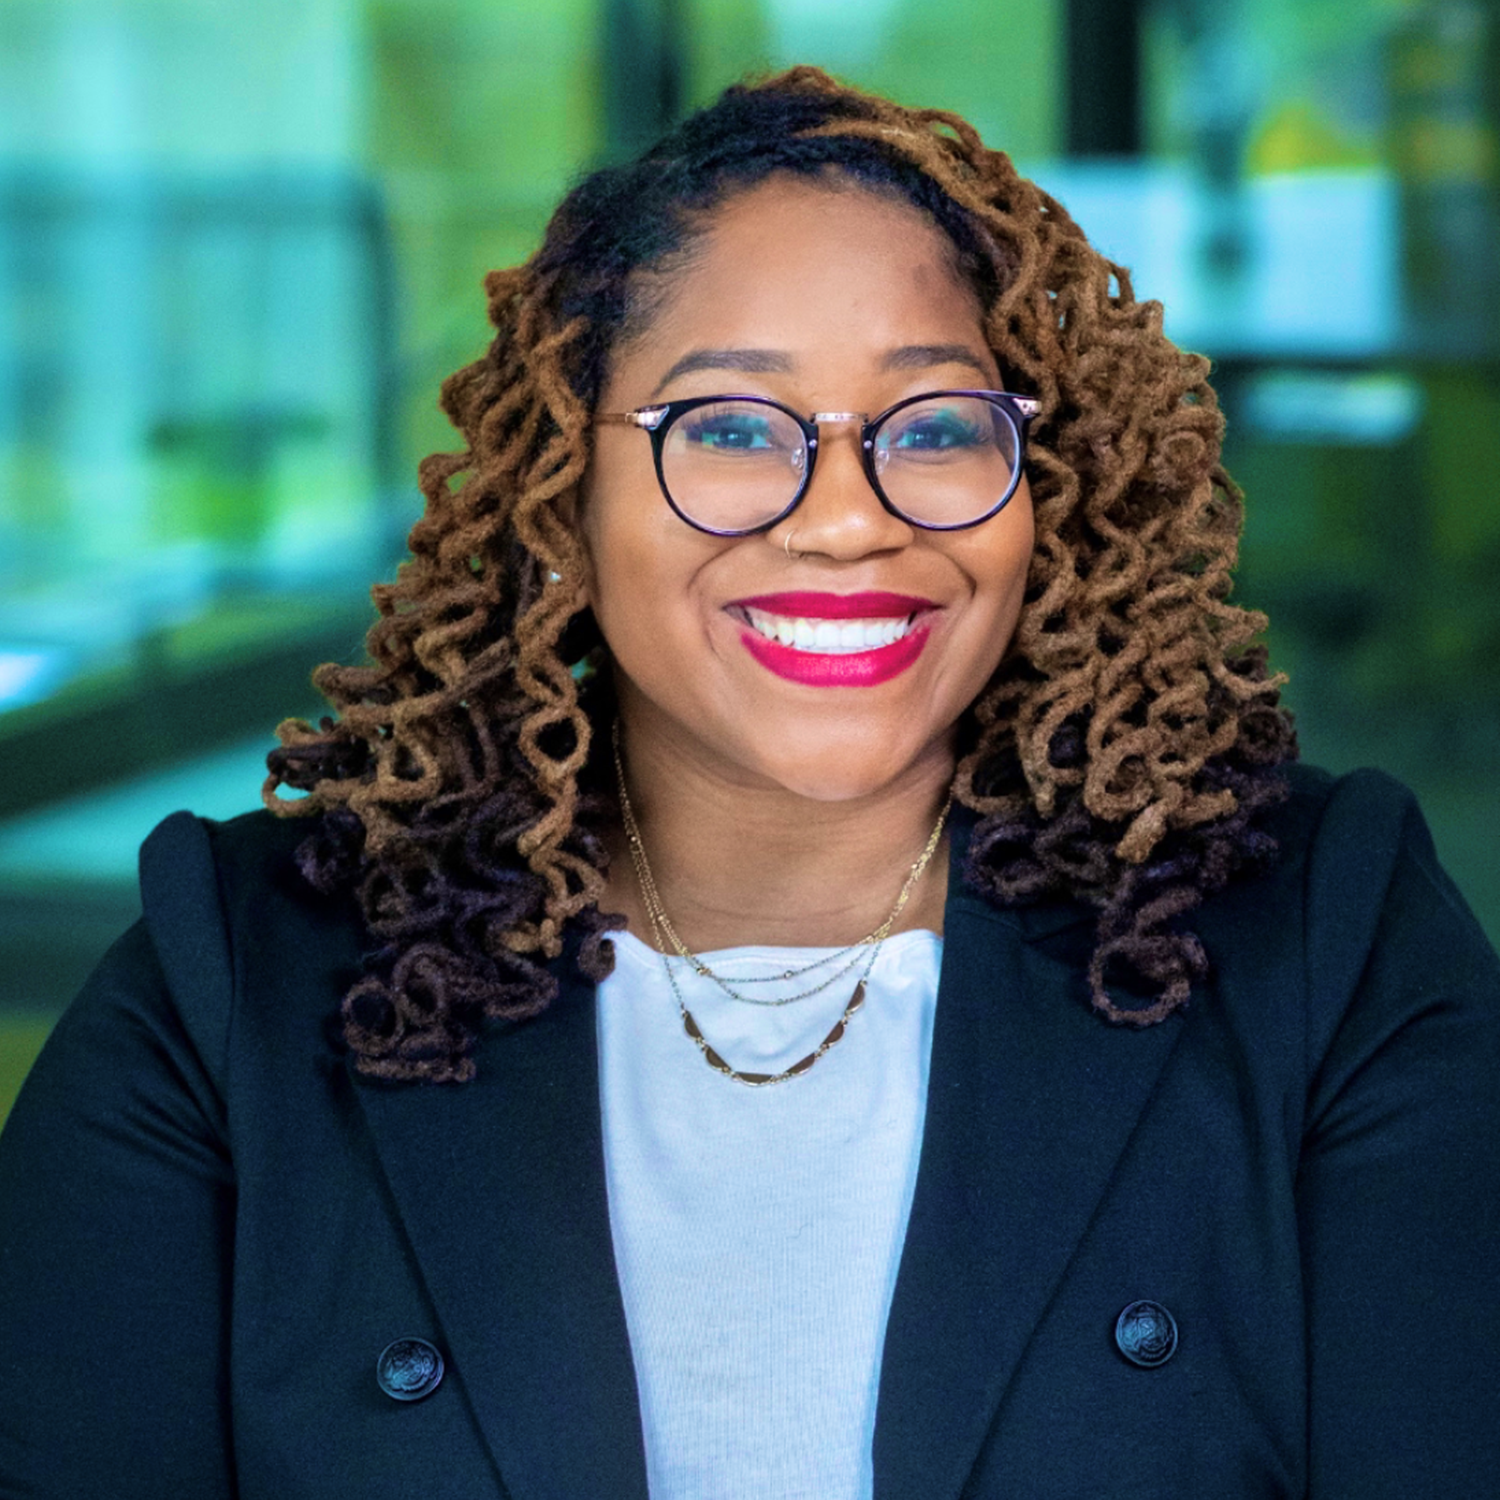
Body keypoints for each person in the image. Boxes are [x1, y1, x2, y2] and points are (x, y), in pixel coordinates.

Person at [1, 66, 1497, 1500]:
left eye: (934, 428)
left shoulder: (1327, 948)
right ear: (560, 498)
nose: (846, 520)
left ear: (1044, 489)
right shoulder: (228, 997)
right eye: (725, 426)